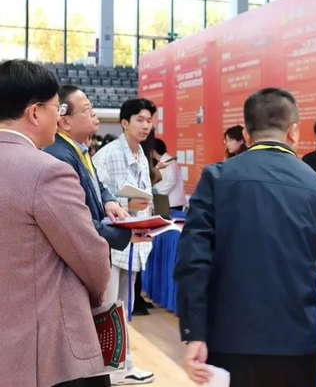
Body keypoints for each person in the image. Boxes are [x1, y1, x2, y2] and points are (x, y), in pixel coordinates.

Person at [175, 88, 316, 387]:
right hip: (294, 341)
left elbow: (192, 260)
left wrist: (194, 332)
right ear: (294, 132)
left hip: (228, 337)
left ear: (246, 135)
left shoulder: (215, 178)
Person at [0, 60, 111, 387]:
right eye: (56, 108)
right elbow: (90, 258)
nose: (58, 117)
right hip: (45, 348)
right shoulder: (46, 171)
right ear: (35, 113)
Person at [93, 98, 157, 385]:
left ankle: (121, 366)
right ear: (124, 123)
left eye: (149, 120)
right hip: (113, 244)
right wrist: (126, 204)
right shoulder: (106, 155)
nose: (146, 125)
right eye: (140, 120)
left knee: (123, 306)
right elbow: (97, 200)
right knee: (109, 307)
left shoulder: (141, 153)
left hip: (134, 241)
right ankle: (108, 369)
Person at [43, 85, 136, 253]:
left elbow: (97, 185)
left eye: (91, 107)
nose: (93, 113)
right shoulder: (60, 157)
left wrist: (109, 201)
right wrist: (124, 235)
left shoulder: (77, 149)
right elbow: (75, 221)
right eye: (86, 109)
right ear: (65, 122)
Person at [153, 138, 187, 211]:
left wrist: (158, 195)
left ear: (154, 151)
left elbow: (171, 181)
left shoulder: (169, 161)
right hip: (167, 200)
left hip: (173, 202)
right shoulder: (161, 161)